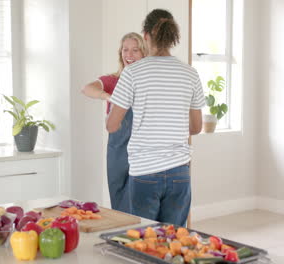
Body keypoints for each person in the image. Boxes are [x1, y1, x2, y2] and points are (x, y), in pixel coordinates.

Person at [106, 9, 204, 226]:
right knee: (175, 239)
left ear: (146, 36)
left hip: (145, 173)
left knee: (145, 240)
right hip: (180, 172)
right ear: (172, 37)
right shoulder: (190, 74)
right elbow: (196, 127)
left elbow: (112, 125)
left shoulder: (132, 73)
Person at [82, 32, 147, 213]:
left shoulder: (148, 82)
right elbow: (87, 88)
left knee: (140, 200)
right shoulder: (113, 80)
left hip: (143, 149)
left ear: (144, 53)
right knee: (119, 199)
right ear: (120, 54)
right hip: (117, 151)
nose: (129, 55)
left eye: (135, 50)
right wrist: (109, 96)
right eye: (125, 50)